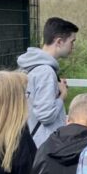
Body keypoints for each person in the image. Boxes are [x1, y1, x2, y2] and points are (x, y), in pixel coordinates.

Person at [17, 16, 78, 148]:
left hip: (29, 142)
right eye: (72, 42)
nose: (73, 46)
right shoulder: (46, 72)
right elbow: (46, 116)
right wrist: (62, 96)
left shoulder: (28, 66)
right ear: (59, 42)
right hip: (43, 147)